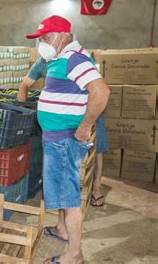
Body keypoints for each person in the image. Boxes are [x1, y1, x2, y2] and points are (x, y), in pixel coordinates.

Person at [25, 15, 110, 264]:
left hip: (64, 140)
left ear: (63, 36)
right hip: (55, 138)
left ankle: (74, 254)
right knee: (62, 192)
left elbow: (101, 92)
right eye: (40, 38)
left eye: (47, 37)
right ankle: (62, 230)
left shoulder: (75, 58)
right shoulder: (58, 58)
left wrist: (85, 127)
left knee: (69, 197)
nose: (43, 42)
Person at [19, 58, 109, 207]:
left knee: (96, 147)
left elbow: (99, 89)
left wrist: (87, 122)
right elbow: (25, 85)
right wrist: (21, 110)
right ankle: (55, 189)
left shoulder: (76, 59)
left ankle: (97, 187)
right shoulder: (42, 62)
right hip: (62, 114)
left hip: (87, 108)